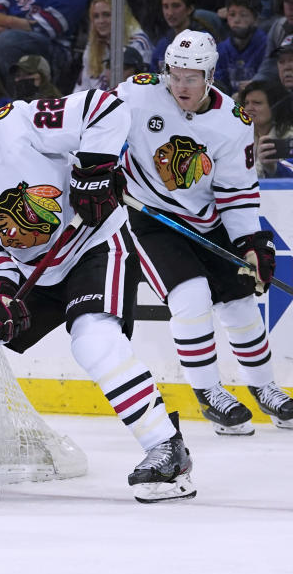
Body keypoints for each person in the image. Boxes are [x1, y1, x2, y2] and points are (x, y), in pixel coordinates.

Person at [0, 89, 196, 502]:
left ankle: (168, 449)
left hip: (94, 245)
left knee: (93, 338)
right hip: (33, 273)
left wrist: (96, 166)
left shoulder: (18, 125)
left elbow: (106, 109)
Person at [115, 30, 293, 434]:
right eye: (175, 74)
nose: (181, 85)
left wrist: (250, 243)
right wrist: (94, 165)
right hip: (149, 217)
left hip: (206, 220)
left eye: (191, 77)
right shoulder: (139, 94)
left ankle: (264, 388)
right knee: (191, 295)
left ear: (210, 75)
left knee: (240, 300)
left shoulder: (233, 122)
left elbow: (237, 192)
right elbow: (88, 120)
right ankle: (209, 392)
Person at [73, 0, 152, 92]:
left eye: (106, 15)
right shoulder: (93, 45)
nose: (101, 21)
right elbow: (81, 88)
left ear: (120, 15)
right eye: (96, 16)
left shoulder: (139, 42)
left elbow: (141, 87)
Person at [148, 0, 223, 73]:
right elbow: (152, 79)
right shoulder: (163, 44)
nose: (170, 13)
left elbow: (215, 78)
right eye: (165, 6)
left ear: (189, 9)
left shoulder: (204, 42)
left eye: (176, 6)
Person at [215, 0, 267, 96]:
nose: (236, 20)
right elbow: (218, 84)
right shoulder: (222, 49)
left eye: (243, 15)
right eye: (232, 15)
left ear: (256, 19)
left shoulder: (265, 44)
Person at [239, 80, 293, 178]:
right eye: (246, 103)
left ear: (275, 107)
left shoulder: (290, 138)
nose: (249, 108)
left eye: (257, 103)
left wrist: (272, 168)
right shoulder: (241, 137)